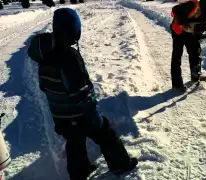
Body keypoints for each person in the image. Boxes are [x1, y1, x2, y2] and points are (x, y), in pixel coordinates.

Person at [28, 8, 137, 180]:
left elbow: (46, 86)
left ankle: (79, 172)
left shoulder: (45, 53)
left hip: (60, 114)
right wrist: (93, 113)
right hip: (79, 113)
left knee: (75, 142)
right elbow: (81, 90)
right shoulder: (69, 56)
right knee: (105, 133)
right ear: (72, 30)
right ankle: (121, 164)